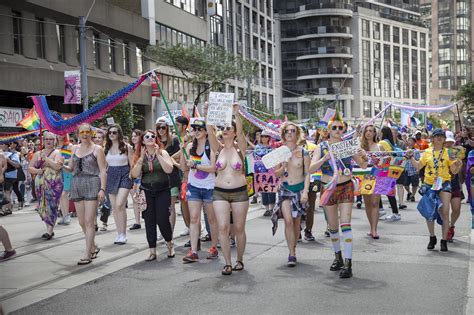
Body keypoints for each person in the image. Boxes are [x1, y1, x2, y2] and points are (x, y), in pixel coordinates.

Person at [309, 111, 368, 278]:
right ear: (328, 129)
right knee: (333, 227)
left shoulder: (349, 145)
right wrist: (324, 158)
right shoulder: (321, 147)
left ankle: (348, 263)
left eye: (340, 127)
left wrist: (364, 157)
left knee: (346, 223)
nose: (337, 129)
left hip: (346, 186)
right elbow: (311, 169)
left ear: (344, 129)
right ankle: (338, 257)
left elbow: (363, 165)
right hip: (328, 187)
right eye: (333, 127)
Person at [206, 104, 249, 275]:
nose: (224, 130)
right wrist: (207, 113)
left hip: (239, 192)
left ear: (233, 131)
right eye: (222, 128)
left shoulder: (241, 147)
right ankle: (227, 262)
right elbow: (210, 132)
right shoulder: (218, 148)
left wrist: (236, 114)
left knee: (238, 227)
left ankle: (239, 259)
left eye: (227, 128)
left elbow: (240, 132)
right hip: (220, 192)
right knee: (223, 227)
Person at [407, 128, 463, 252]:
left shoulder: (448, 152)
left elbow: (453, 171)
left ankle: (444, 240)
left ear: (444, 139)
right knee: (429, 212)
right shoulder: (426, 152)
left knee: (445, 211)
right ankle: (432, 237)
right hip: (429, 185)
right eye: (436, 136)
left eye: (441, 136)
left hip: (444, 184)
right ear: (432, 138)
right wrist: (410, 157)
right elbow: (418, 166)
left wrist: (458, 165)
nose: (439, 138)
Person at [63, 124, 107, 265]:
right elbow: (70, 168)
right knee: (82, 222)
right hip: (76, 184)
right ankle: (93, 246)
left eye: (87, 132)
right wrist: (61, 165)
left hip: (92, 183)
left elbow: (103, 170)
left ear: (91, 133)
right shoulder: (74, 148)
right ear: (78, 134)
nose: (84, 134)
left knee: (89, 222)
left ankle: (87, 253)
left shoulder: (97, 149)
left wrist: (102, 189)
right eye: (82, 132)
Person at [131, 130, 175, 261]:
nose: (150, 138)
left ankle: (169, 243)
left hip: (162, 190)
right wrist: (140, 159)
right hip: (147, 191)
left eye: (152, 136)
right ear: (143, 140)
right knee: (149, 221)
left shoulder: (163, 152)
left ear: (156, 139)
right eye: (147, 137)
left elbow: (169, 169)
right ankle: (152, 251)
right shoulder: (139, 155)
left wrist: (158, 155)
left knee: (162, 219)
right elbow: (134, 174)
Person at [271, 122, 310, 267]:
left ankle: (294, 248)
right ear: (283, 134)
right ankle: (291, 253)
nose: (289, 133)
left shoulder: (304, 152)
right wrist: (284, 164)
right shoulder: (279, 152)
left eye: (293, 131)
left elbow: (307, 173)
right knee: (288, 220)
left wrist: (306, 191)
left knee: (296, 223)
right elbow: (276, 173)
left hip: (299, 190)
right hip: (285, 190)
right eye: (287, 131)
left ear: (297, 134)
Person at [180, 118, 219, 263]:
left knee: (211, 218)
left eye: (199, 129)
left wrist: (195, 166)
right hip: (194, 187)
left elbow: (213, 169)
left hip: (209, 187)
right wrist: (182, 148)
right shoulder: (191, 146)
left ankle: (214, 247)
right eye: (194, 129)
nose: (196, 132)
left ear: (206, 132)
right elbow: (184, 167)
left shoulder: (211, 147)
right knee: (194, 218)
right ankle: (194, 250)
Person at [28, 132, 64, 240]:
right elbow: (30, 167)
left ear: (55, 141)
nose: (49, 141)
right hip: (40, 184)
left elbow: (57, 166)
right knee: (43, 206)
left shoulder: (57, 152)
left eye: (51, 139)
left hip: (54, 184)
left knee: (51, 206)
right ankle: (49, 228)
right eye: (47, 139)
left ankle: (49, 230)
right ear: (44, 140)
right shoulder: (37, 153)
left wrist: (46, 159)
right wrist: (37, 170)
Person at [105, 124, 133, 245]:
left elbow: (132, 164)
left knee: (120, 204)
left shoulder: (127, 147)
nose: (111, 134)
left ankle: (124, 234)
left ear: (119, 134)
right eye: (110, 132)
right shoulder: (105, 148)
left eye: (114, 132)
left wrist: (132, 176)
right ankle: (119, 233)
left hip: (124, 175)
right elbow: (103, 166)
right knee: (115, 208)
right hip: (111, 175)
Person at [156, 117, 181, 234]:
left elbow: (179, 156)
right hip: (158, 178)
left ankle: (169, 232)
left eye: (163, 127)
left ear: (167, 127)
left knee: (171, 207)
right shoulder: (154, 141)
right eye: (158, 128)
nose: (161, 130)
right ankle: (163, 231)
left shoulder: (174, 140)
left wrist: (168, 159)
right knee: (161, 208)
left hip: (172, 177)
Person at [359, 124, 383, 239]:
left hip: (377, 176)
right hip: (364, 177)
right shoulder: (360, 147)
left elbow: (385, 161)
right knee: (368, 204)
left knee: (375, 203)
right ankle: (371, 227)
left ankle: (374, 229)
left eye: (371, 131)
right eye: (366, 131)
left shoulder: (379, 146)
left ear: (374, 133)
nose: (368, 133)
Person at [444, 131, 465, 242]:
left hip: (455, 184)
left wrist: (459, 164)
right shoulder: (438, 153)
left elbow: (457, 172)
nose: (448, 144)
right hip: (443, 185)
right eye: (446, 142)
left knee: (456, 209)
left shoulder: (457, 153)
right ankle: (447, 230)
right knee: (445, 210)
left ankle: (451, 226)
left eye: (450, 142)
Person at [379, 126, 402, 221]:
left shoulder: (382, 143)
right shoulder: (390, 142)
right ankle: (390, 211)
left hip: (384, 169)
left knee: (380, 189)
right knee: (387, 190)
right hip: (391, 168)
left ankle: (390, 212)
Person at [175, 116, 191, 237]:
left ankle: (193, 227)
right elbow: (180, 152)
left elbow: (183, 153)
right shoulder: (177, 138)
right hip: (182, 177)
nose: (176, 127)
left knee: (188, 203)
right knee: (183, 202)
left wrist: (172, 160)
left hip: (190, 177)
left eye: (178, 125)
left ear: (185, 126)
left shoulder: (188, 139)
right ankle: (189, 226)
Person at [254, 130, 276, 217]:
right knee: (264, 191)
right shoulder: (257, 147)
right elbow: (256, 160)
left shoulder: (272, 148)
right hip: (260, 172)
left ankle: (272, 209)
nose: (264, 138)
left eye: (266, 136)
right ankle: (267, 209)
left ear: (269, 138)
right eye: (262, 136)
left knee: (271, 191)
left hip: (271, 172)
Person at [57, 134, 73, 225]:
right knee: (60, 195)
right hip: (57, 172)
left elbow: (71, 160)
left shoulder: (69, 146)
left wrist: (62, 162)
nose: (59, 135)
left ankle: (67, 216)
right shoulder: (55, 146)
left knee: (64, 194)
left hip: (67, 172)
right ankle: (64, 215)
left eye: (61, 132)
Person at [129, 129, 143, 230]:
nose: (133, 138)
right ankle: (137, 222)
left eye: (136, 136)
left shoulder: (143, 148)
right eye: (132, 136)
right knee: (134, 199)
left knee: (141, 199)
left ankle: (146, 218)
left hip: (141, 177)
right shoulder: (130, 149)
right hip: (132, 177)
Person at [403, 136, 420, 203]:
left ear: (414, 143)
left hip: (413, 170)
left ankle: (413, 195)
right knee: (405, 184)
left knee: (414, 184)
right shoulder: (404, 150)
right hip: (406, 170)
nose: (410, 142)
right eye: (409, 141)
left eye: (412, 141)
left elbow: (418, 160)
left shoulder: (416, 151)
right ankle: (409, 192)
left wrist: (418, 169)